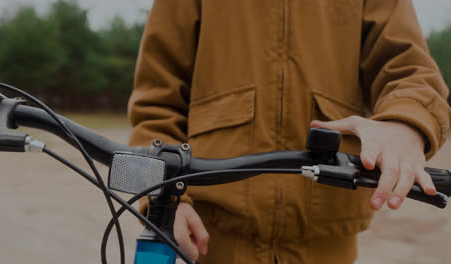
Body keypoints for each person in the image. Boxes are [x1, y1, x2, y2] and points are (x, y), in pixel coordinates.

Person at [127, 0, 451, 263]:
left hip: (327, 242)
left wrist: (405, 122)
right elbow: (157, 102)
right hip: (211, 240)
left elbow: (411, 71)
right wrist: (164, 198)